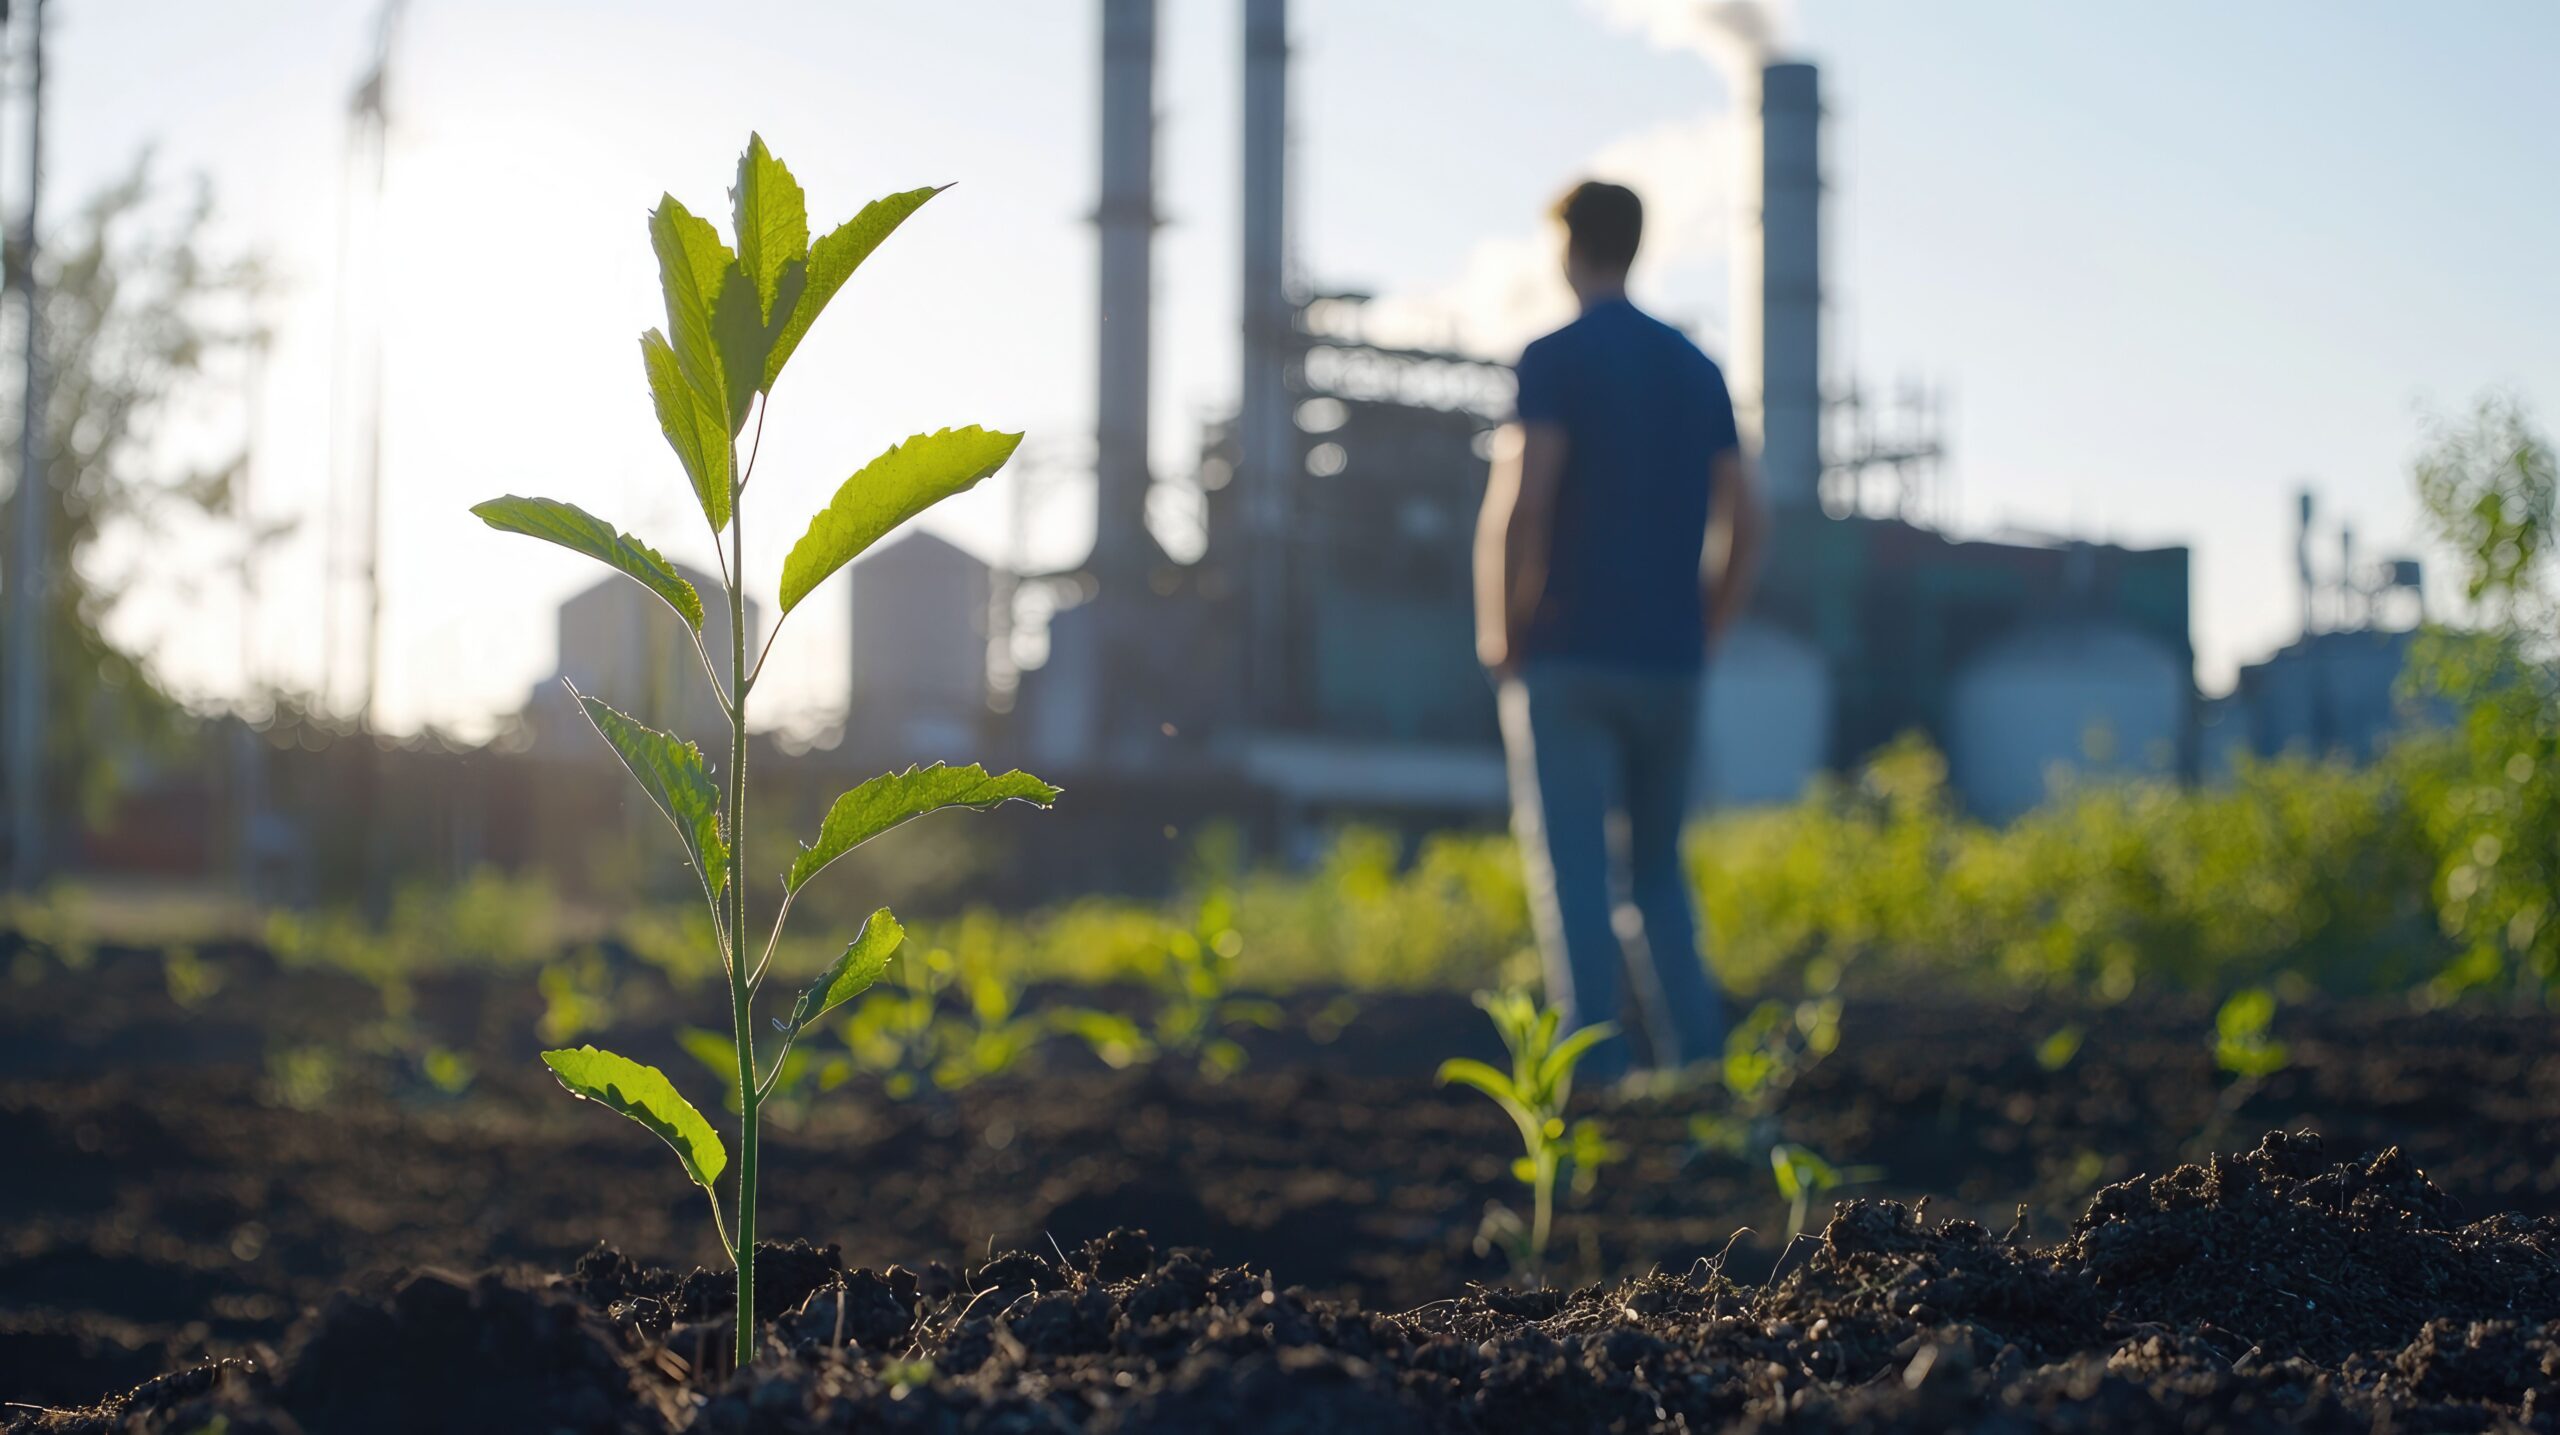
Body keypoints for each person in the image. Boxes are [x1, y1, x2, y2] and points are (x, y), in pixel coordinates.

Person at [1473, 179, 1766, 1081]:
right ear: (1635, 246)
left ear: (1570, 247)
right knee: (1660, 876)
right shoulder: (1696, 366)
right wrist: (1706, 627)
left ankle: (1593, 1082)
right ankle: (1701, 1074)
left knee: (1576, 875)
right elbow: (1749, 517)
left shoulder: (1554, 357)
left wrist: (1504, 626)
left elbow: (1528, 499)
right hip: (1671, 661)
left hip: (1568, 655)